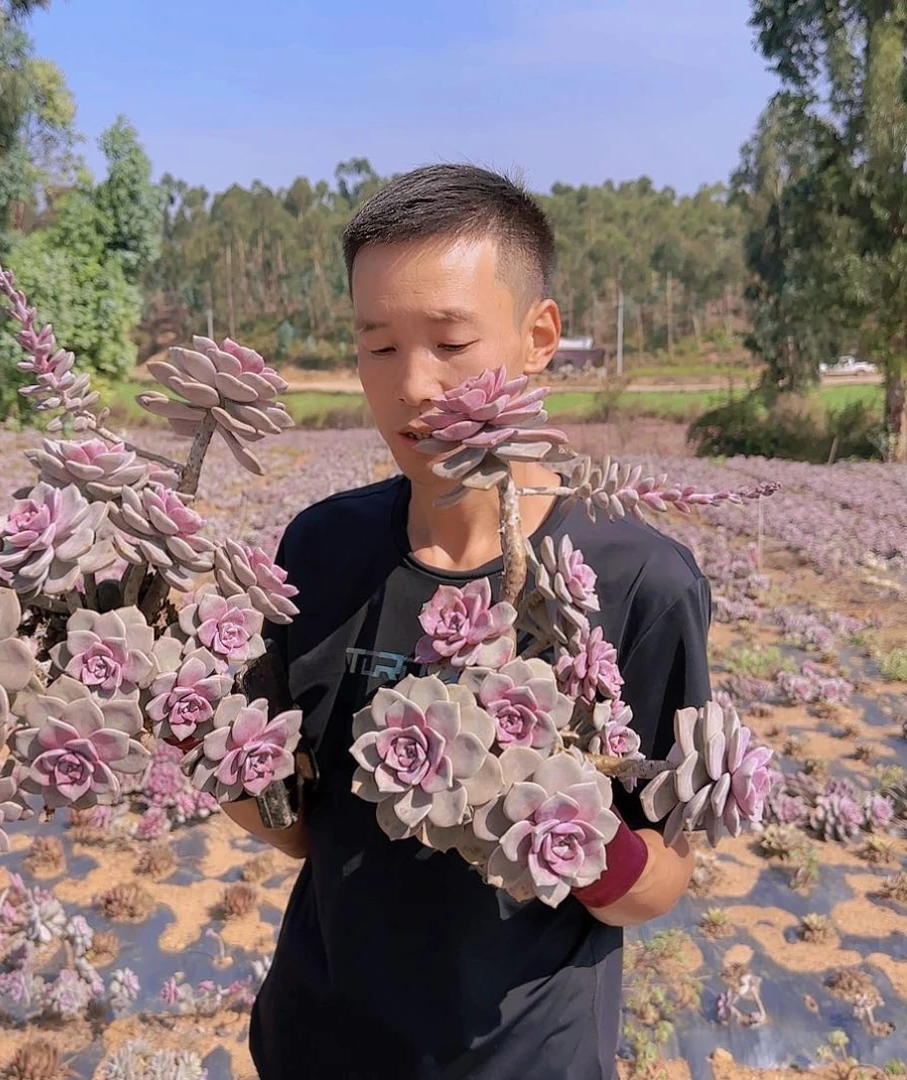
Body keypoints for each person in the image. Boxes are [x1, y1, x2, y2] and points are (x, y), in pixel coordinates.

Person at [224, 163, 710, 1080]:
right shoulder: (319, 552)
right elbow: (301, 831)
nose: (411, 387)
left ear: (539, 338)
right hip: (315, 1047)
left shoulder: (636, 581)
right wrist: (200, 742)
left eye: (449, 342)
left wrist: (565, 833)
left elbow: (664, 877)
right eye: (376, 347)